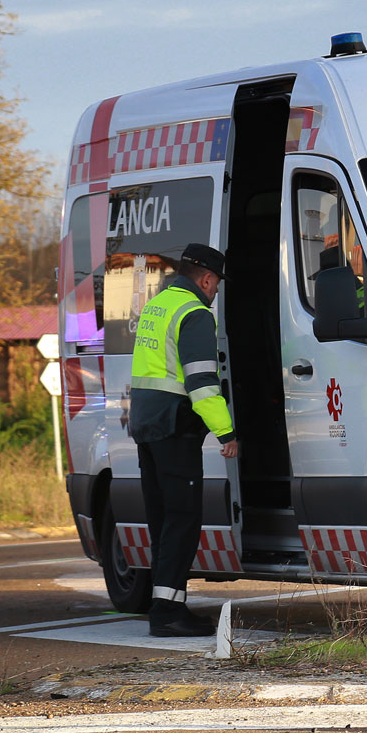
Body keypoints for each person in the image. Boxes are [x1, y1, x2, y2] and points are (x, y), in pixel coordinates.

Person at [127, 243, 240, 637]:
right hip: (175, 429)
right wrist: (226, 431)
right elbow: (202, 383)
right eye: (217, 286)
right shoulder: (195, 314)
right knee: (182, 520)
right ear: (207, 279)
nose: (215, 293)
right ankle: (168, 614)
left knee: (163, 520)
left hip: (147, 425)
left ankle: (166, 607)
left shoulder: (158, 306)